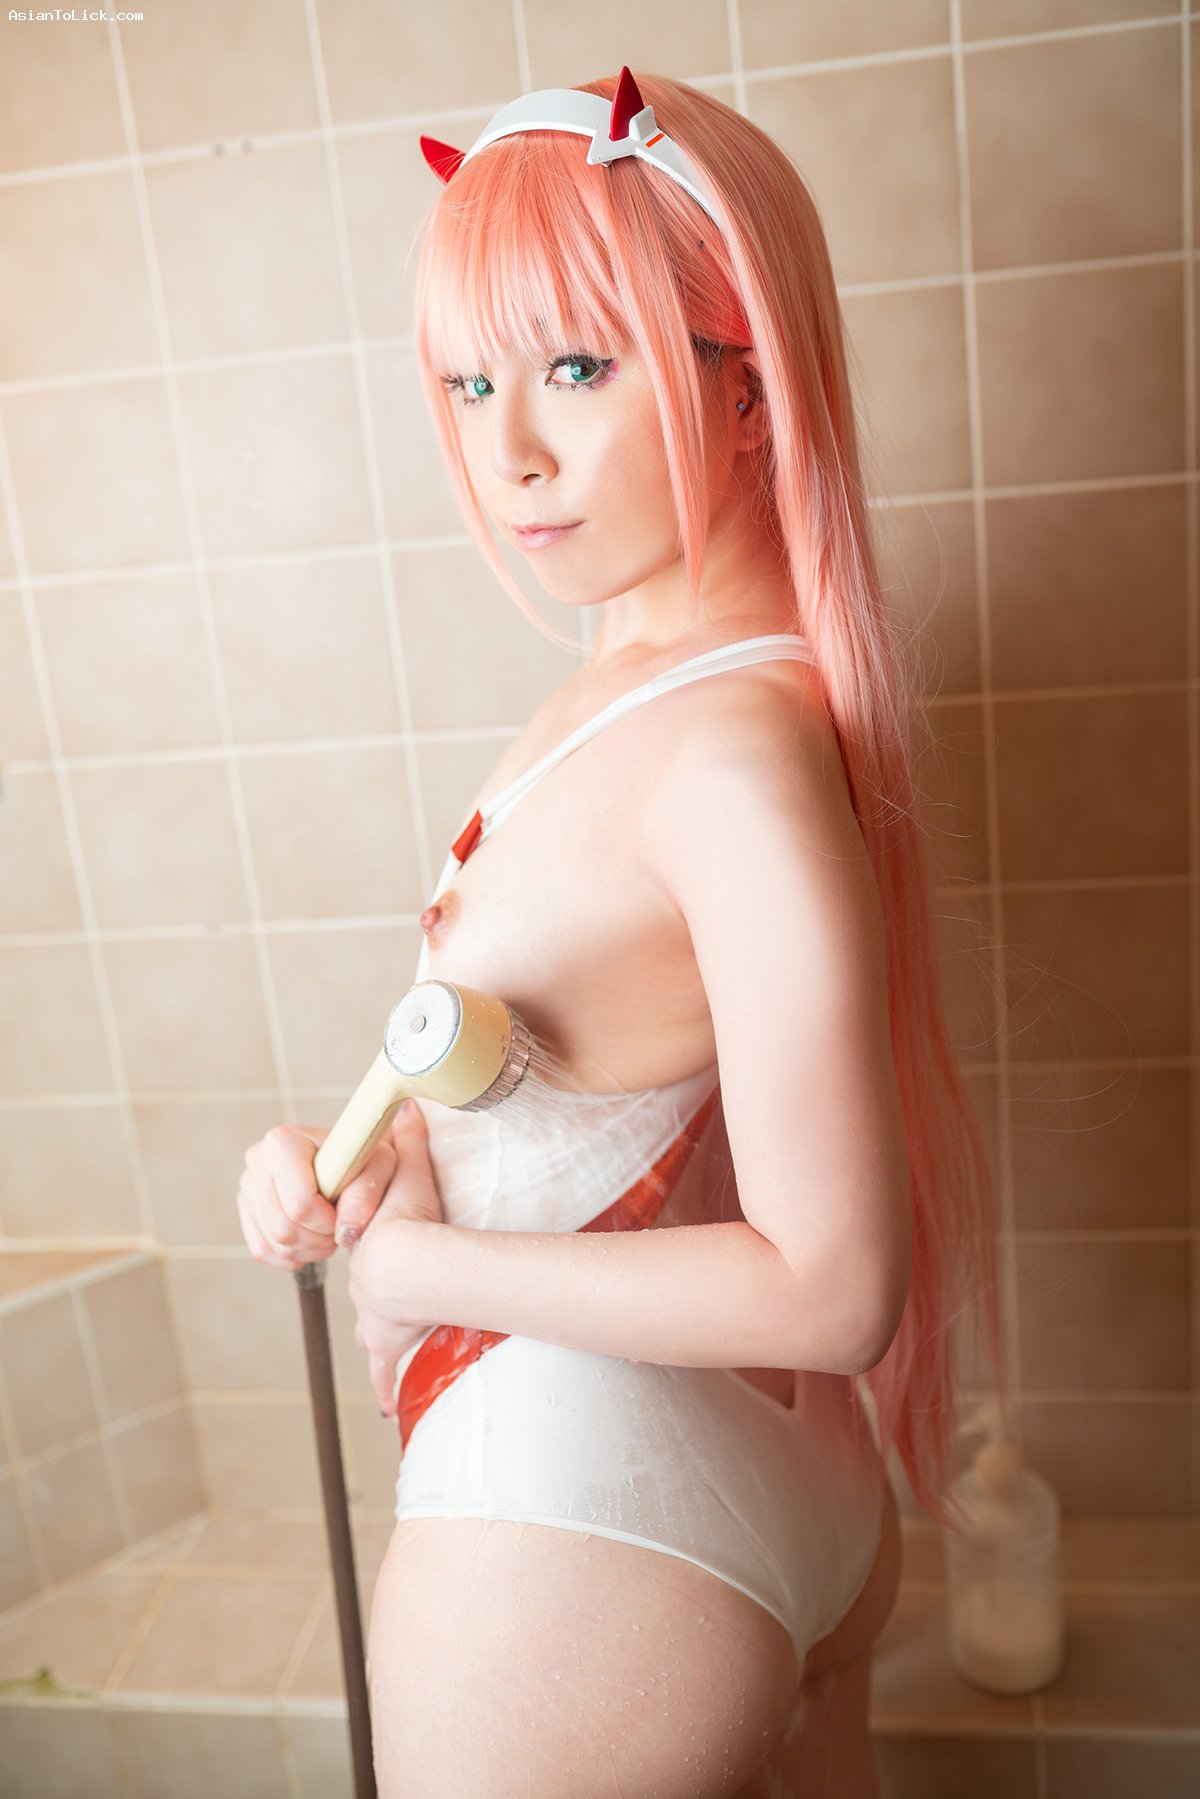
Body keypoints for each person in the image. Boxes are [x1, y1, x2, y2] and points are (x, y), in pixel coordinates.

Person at [236, 67, 1004, 1797]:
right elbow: (585, 1092)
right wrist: (371, 1168)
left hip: (586, 1521)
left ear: (749, 387)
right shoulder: (635, 692)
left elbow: (836, 1285)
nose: (506, 448)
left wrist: (423, 1275)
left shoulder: (724, 752)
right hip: (737, 1490)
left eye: (575, 369)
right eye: (469, 382)